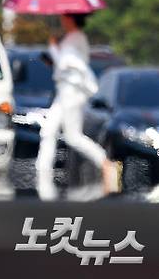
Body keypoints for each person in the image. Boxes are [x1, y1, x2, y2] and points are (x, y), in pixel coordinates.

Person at [36, 13, 118, 192]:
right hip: (64, 92)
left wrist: (53, 48)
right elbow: (65, 65)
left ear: (71, 19)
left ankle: (105, 163)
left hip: (72, 94)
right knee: (48, 131)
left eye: (65, 17)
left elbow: (66, 63)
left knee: (73, 137)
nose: (62, 20)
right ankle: (42, 173)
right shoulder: (71, 39)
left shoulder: (76, 38)